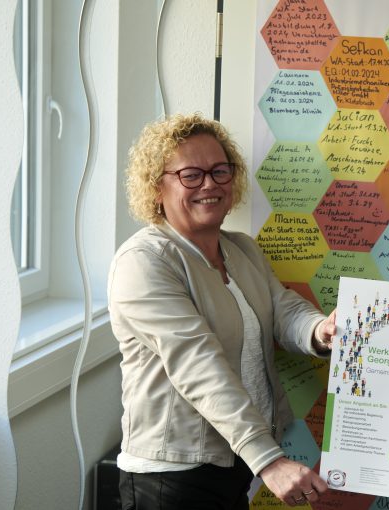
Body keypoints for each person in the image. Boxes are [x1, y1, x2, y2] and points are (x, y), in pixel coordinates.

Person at [108, 113, 337, 509]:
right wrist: (268, 460)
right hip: (171, 477)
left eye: (220, 171)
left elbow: (282, 310)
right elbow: (197, 363)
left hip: (233, 464)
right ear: (156, 187)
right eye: (191, 175)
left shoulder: (241, 248)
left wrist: (321, 330)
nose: (210, 184)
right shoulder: (144, 261)